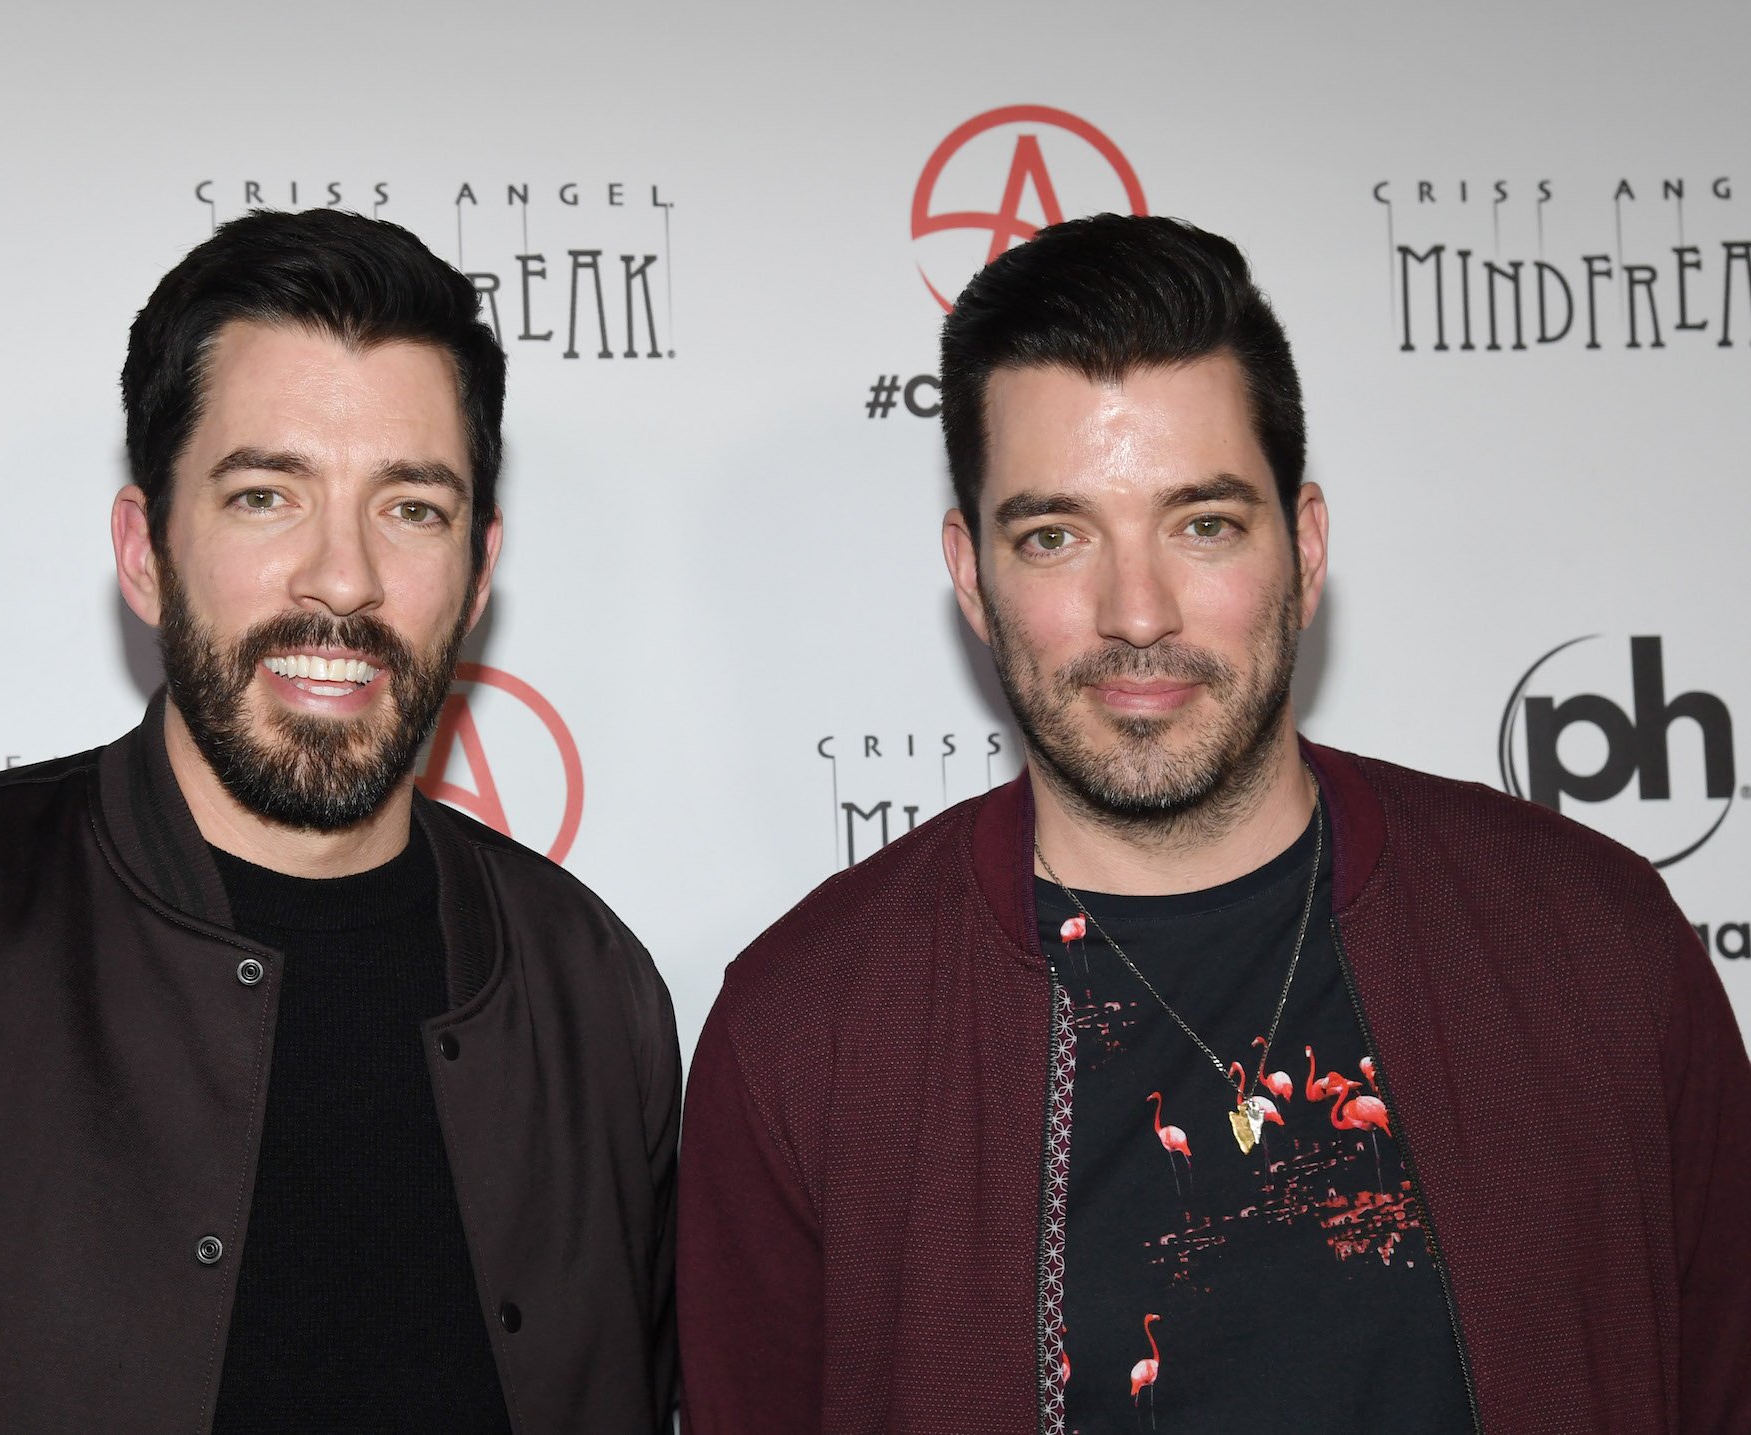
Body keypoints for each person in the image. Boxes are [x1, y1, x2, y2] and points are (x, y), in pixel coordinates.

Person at [678, 214, 1751, 1435]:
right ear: (971, 577)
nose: (1135, 611)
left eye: (1202, 524)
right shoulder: (808, 1035)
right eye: (1053, 534)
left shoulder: (1593, 946)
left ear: (1302, 545)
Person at [0, 208, 678, 1434]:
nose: (341, 579)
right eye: (263, 496)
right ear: (144, 552)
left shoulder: (591, 987)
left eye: (410, 508)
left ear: (478, 568)